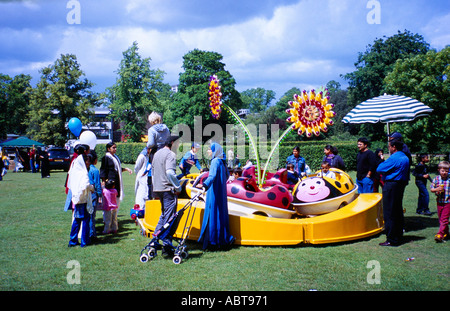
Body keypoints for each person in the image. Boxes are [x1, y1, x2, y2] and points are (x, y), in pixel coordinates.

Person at [198, 142, 235, 250]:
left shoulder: (214, 161)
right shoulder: (222, 162)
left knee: (212, 213)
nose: (208, 151)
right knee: (220, 214)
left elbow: (212, 175)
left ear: (214, 151)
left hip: (213, 192)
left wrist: (205, 184)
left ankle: (212, 241)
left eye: (210, 149)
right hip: (221, 192)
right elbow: (227, 175)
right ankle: (222, 239)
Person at [151, 135, 182, 255]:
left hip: (158, 188)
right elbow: (170, 172)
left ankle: (155, 240)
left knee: (164, 215)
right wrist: (177, 187)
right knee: (170, 218)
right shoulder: (170, 155)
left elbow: (153, 172)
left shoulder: (157, 153)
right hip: (168, 189)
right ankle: (166, 244)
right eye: (178, 143)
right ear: (172, 143)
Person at [376, 140, 410, 246]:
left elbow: (380, 168)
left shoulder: (394, 157)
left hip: (391, 185)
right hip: (400, 184)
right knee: (397, 210)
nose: (388, 148)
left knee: (389, 212)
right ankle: (398, 235)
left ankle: (391, 238)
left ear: (394, 147)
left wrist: (382, 161)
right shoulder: (405, 157)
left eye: (389, 146)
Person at [68, 154, 94, 247]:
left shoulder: (75, 172)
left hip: (76, 198)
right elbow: (85, 185)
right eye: (87, 161)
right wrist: (92, 187)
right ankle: (84, 241)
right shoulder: (83, 172)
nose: (88, 163)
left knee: (77, 220)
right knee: (86, 220)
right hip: (83, 199)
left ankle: (73, 240)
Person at [100, 142, 132, 210]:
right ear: (108, 149)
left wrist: (126, 169)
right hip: (110, 182)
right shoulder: (106, 158)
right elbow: (103, 170)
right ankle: (108, 218)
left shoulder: (115, 157)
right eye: (113, 147)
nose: (115, 149)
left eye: (115, 147)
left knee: (116, 198)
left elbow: (117, 169)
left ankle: (114, 217)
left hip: (117, 182)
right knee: (109, 200)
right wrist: (103, 181)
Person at [147, 111, 170, 199]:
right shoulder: (166, 128)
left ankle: (155, 195)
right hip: (165, 151)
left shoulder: (152, 130)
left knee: (155, 175)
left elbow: (151, 143)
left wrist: (147, 145)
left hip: (156, 152)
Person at [430, 161, 450, 242]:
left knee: (444, 219)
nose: (444, 172)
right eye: (443, 171)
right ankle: (446, 233)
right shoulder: (436, 179)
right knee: (441, 219)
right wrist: (436, 189)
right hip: (439, 201)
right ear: (439, 170)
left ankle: (440, 234)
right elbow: (432, 189)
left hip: (448, 202)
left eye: (446, 171)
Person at [88, 150, 102, 240]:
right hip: (93, 194)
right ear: (95, 160)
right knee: (92, 215)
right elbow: (97, 184)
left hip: (86, 193)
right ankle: (92, 234)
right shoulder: (95, 170)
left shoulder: (85, 169)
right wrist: (100, 195)